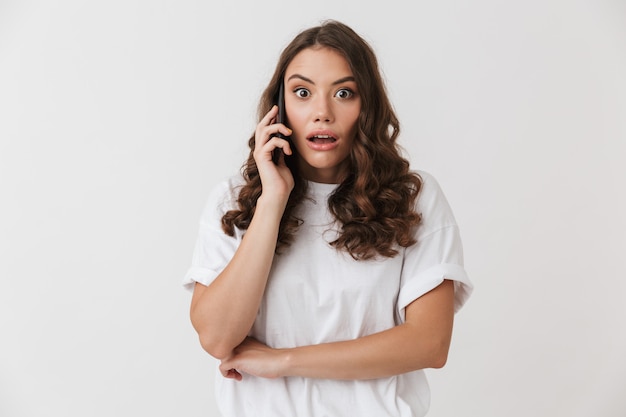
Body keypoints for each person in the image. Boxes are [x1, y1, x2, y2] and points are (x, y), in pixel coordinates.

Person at [183, 20, 473, 417]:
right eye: (302, 92)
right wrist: (273, 200)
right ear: (279, 108)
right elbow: (217, 338)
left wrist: (283, 361)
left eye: (344, 93)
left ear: (366, 106)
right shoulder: (235, 200)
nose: (322, 112)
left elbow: (430, 343)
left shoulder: (413, 198)